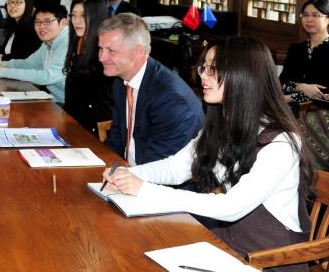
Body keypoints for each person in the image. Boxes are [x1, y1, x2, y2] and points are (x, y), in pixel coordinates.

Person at [104, 37, 313, 267]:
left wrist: (145, 190)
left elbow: (231, 207)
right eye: (204, 67)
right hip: (229, 242)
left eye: (213, 69)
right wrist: (128, 174)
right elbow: (176, 168)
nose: (202, 75)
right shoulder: (222, 125)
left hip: (268, 259)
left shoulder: (281, 143)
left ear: (243, 76)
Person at [100, 13, 203, 166]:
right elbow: (116, 138)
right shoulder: (120, 82)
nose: (101, 57)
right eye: (101, 49)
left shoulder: (170, 98)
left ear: (138, 52)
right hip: (129, 170)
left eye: (111, 50)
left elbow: (159, 167)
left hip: (156, 176)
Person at [0, 4, 69, 103]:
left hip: (67, 105)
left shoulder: (67, 43)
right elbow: (29, 64)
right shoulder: (48, 42)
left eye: (47, 21)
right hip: (53, 98)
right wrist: (2, 65)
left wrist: (3, 71)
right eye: (37, 22)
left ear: (63, 23)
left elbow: (47, 76)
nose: (41, 26)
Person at [280, 0, 329, 169]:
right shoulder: (296, 50)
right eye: (305, 15)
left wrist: (295, 95)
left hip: (321, 110)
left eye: (315, 15)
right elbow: (282, 83)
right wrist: (302, 87)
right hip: (293, 106)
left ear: (328, 19)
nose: (309, 19)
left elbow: (323, 93)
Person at [63, 0, 114, 136]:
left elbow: (97, 103)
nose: (76, 21)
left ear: (97, 17)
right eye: (73, 15)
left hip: (95, 129)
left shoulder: (104, 51)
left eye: (83, 15)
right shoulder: (79, 42)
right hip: (75, 123)